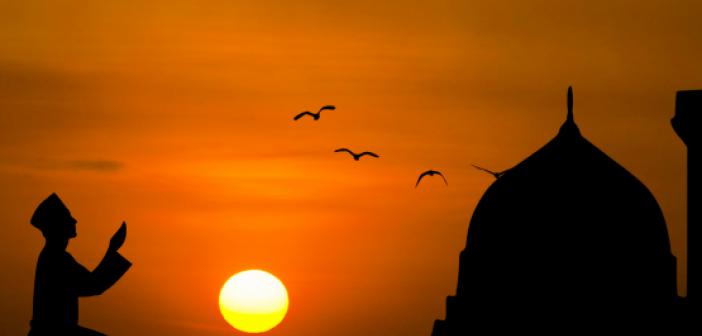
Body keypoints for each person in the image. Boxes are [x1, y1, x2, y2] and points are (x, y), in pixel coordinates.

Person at [28, 193, 132, 336]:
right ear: (58, 226)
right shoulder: (57, 259)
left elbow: (91, 284)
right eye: (67, 219)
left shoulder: (53, 256)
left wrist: (111, 251)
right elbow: (93, 285)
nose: (74, 221)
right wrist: (112, 250)